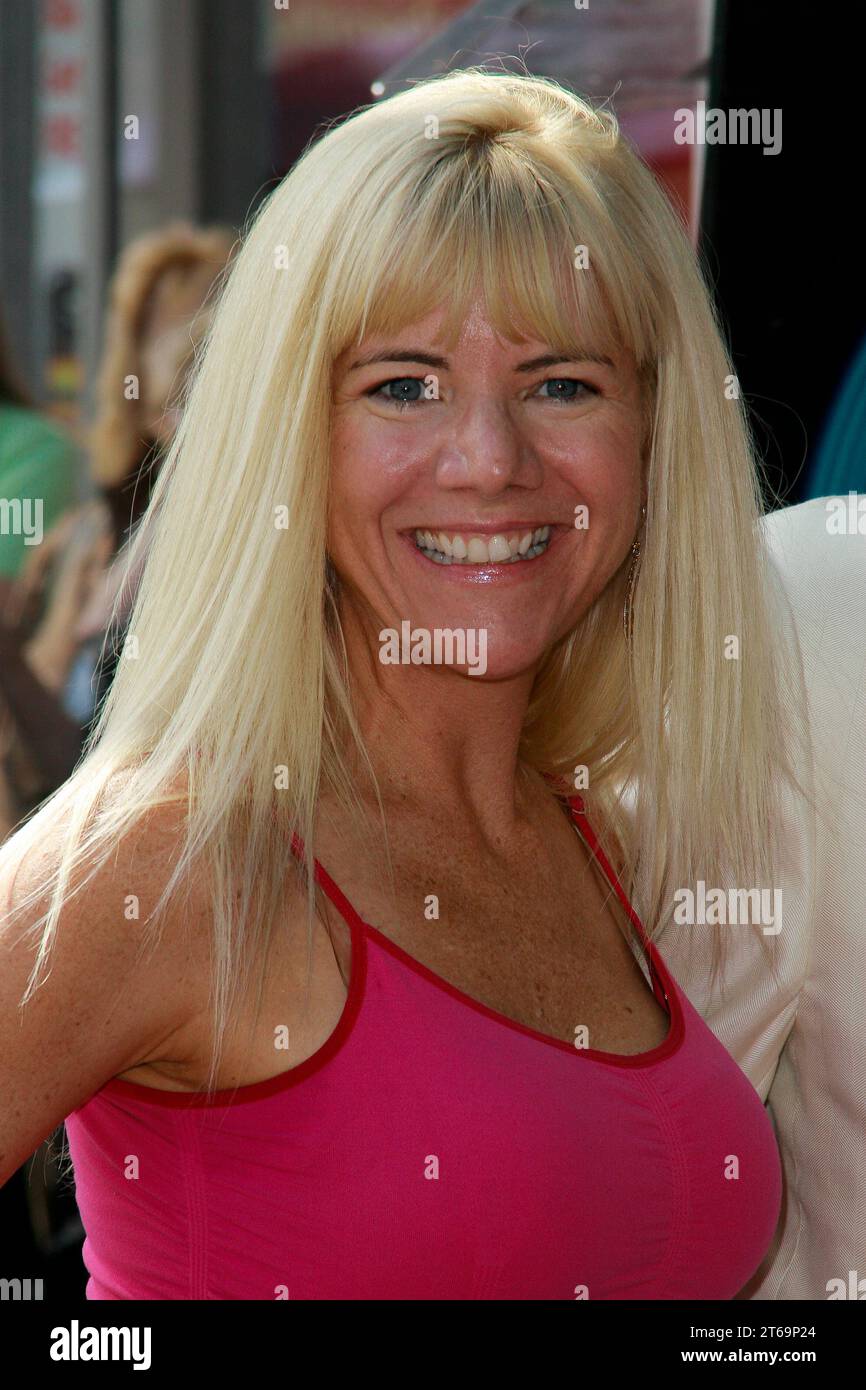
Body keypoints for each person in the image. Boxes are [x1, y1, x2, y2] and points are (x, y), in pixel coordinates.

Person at [0, 68, 856, 1301]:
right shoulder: (181, 849)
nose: (488, 459)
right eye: (401, 385)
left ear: (652, 433)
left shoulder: (583, 830)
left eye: (562, 383)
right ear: (290, 431)